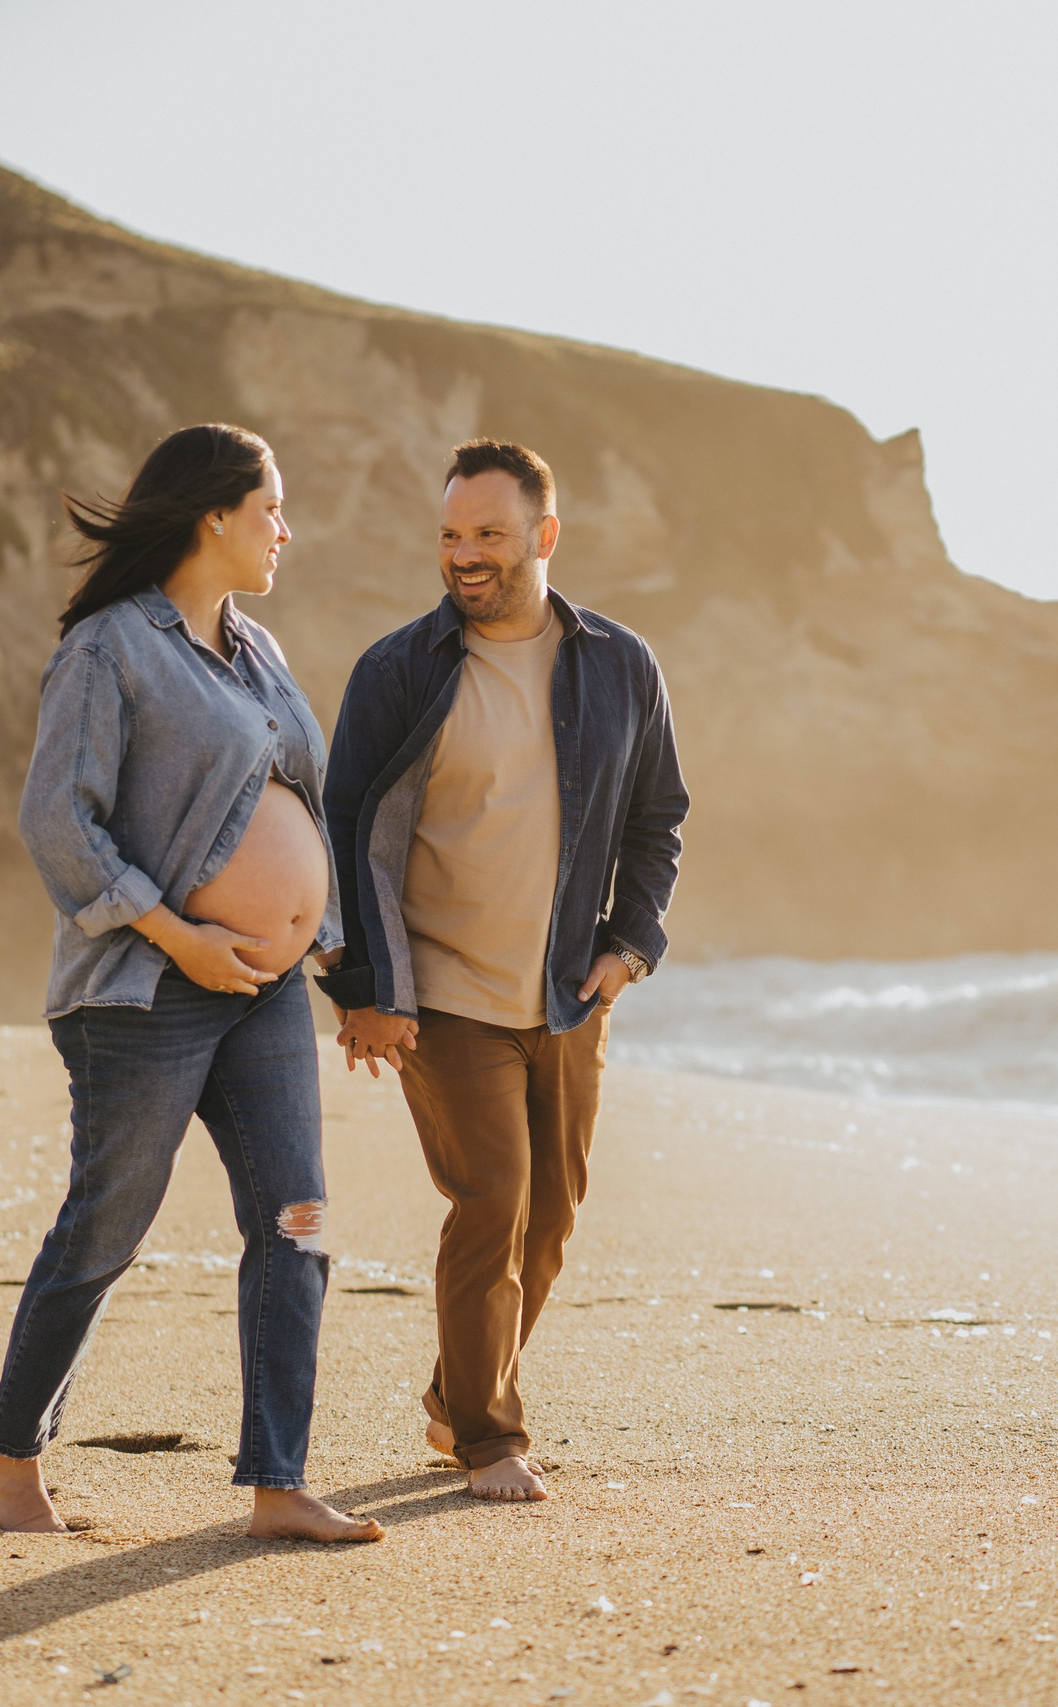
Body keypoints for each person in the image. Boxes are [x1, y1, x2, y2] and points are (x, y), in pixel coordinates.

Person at [0, 423, 380, 1542]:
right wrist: (179, 936)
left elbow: (304, 819)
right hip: (144, 994)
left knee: (294, 1219)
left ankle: (278, 1482)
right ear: (214, 515)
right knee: (107, 1225)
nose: (283, 532)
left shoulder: (260, 653)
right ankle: (14, 1461)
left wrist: (336, 965)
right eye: (270, 510)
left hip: (265, 995)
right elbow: (58, 821)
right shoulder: (110, 649)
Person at [319, 438, 689, 1502]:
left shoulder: (620, 664)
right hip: (437, 994)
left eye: (486, 534)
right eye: (448, 535)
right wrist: (363, 992)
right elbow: (344, 837)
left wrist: (630, 946)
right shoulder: (397, 670)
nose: (464, 555)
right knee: (494, 1201)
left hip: (568, 992)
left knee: (553, 1219)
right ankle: (487, 1437)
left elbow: (659, 817)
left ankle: (453, 1395)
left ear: (544, 536)